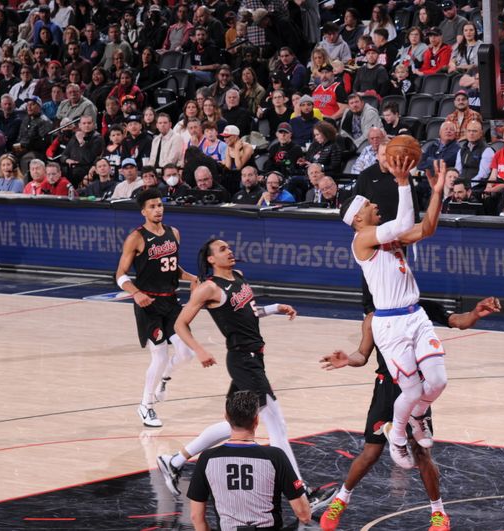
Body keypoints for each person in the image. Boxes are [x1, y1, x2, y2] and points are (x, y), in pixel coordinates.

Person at [156, 238, 337, 510]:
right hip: (243, 360)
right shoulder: (208, 288)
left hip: (252, 358)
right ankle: (303, 496)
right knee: (278, 426)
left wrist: (275, 308)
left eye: (229, 247)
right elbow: (180, 324)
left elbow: (249, 314)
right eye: (222, 249)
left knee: (234, 425)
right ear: (210, 259)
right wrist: (200, 350)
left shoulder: (238, 278)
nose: (229, 251)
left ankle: (174, 461)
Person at [318, 298, 500, 531]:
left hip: (416, 389)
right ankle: (340, 501)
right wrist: (347, 360)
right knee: (371, 452)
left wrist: (475, 313)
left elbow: (456, 321)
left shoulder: (419, 309)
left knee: (421, 452)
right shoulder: (374, 318)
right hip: (386, 388)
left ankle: (438, 514)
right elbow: (362, 354)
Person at [342, 156, 448, 469]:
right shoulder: (362, 240)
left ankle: (414, 418)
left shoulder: (390, 236)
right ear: (358, 218)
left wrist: (437, 193)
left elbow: (425, 228)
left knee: (438, 381)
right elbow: (403, 224)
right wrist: (404, 182)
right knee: (413, 388)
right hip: (389, 323)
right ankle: (397, 433)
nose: (375, 204)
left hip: (415, 315)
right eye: (368, 205)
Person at [115, 188, 208, 428]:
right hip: (149, 303)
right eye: (153, 207)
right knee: (160, 355)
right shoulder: (136, 237)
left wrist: (190, 277)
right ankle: (146, 406)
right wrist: (135, 293)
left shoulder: (173, 233)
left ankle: (164, 379)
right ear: (143, 211)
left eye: (160, 205)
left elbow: (171, 266)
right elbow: (120, 275)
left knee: (186, 353)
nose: (158, 210)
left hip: (171, 301)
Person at [186, 390, 313, 531]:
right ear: (256, 420)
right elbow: (304, 515)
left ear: (226, 418)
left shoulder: (207, 458)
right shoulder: (275, 456)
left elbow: (196, 517)